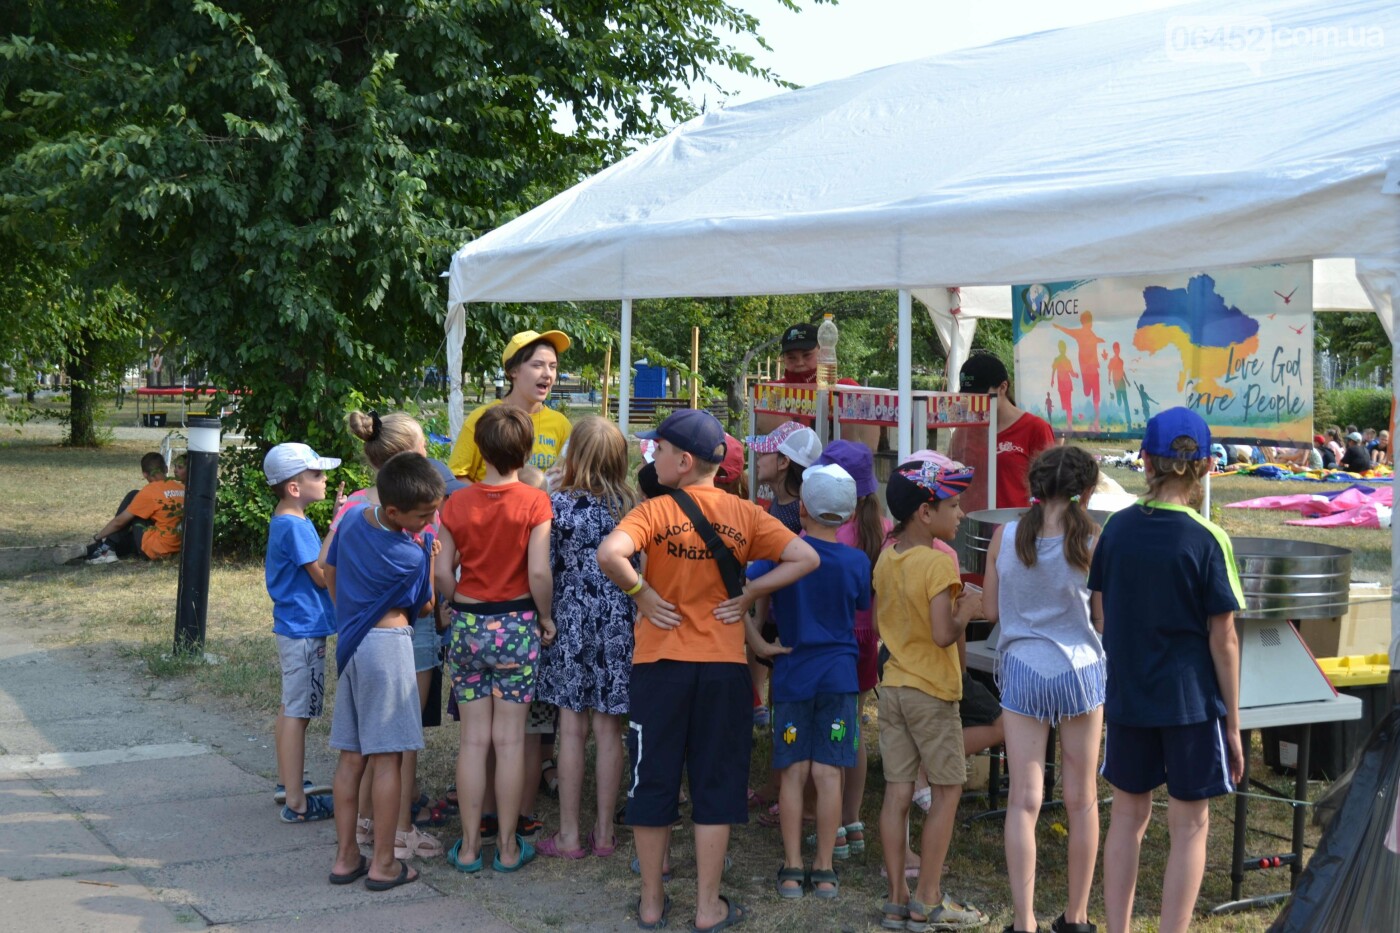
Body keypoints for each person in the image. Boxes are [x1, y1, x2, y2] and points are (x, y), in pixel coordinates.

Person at [596, 409, 820, 933]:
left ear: (683, 459)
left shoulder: (652, 511)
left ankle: (651, 905)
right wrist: (751, 593)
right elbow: (805, 558)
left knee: (652, 782)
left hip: (658, 666)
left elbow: (611, 553)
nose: (652, 456)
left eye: (658, 449)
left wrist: (642, 593)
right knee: (715, 786)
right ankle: (707, 907)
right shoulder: (744, 513)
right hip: (722, 668)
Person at [1090, 408, 1245, 933]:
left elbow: (1101, 611)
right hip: (1190, 702)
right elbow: (1222, 638)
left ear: (1146, 460)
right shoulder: (1208, 538)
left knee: (1127, 819)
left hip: (1129, 694)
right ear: (1204, 465)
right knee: (1190, 825)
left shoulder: (1115, 528)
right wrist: (1235, 722)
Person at [982, 447, 1105, 933]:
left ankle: (1023, 920)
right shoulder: (1095, 541)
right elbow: (1101, 619)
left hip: (1024, 671)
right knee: (1083, 798)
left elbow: (991, 611)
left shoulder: (1004, 535)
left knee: (1023, 801)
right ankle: (1075, 917)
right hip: (1080, 672)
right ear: (1087, 491)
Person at [321, 410, 446, 860]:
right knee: (390, 755)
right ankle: (385, 862)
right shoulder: (410, 555)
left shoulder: (353, 518)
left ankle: (345, 856)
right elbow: (425, 605)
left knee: (351, 756)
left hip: (352, 644)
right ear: (395, 511)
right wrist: (429, 558)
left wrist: (346, 611)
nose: (427, 521)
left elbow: (330, 570)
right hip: (391, 648)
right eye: (423, 515)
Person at [435, 405, 555, 874]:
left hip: (467, 624)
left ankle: (467, 847)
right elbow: (539, 571)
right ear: (524, 450)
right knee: (509, 743)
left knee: (471, 742)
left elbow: (442, 569)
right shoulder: (535, 501)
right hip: (517, 625)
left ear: (479, 450)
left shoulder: (455, 503)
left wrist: (451, 601)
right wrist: (544, 617)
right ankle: (507, 847)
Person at [745, 463, 868, 901]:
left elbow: (743, 584)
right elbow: (859, 604)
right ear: (850, 514)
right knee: (830, 770)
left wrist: (756, 640)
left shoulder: (783, 554)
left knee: (793, 770)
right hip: (839, 677)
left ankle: (793, 867)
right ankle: (826, 869)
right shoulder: (857, 561)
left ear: (802, 509)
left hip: (793, 673)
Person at [876, 459, 988, 931]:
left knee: (897, 792)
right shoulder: (940, 561)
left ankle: (898, 898)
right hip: (931, 692)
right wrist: (968, 609)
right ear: (926, 512)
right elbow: (944, 634)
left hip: (894, 688)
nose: (960, 514)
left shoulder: (887, 556)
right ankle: (929, 897)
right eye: (954, 505)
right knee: (947, 791)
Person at [536, 416, 639, 860]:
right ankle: (603, 834)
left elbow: (544, 565)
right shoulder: (633, 507)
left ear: (573, 455)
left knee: (572, 731)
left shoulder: (556, 507)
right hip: (619, 622)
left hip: (569, 623)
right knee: (609, 730)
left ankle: (569, 836)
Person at [815, 440, 886, 862]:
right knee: (852, 727)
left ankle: (833, 827)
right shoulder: (884, 524)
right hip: (866, 642)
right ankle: (852, 819)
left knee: (829, 732)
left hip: (831, 641)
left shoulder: (830, 531)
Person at [263, 442, 341, 824]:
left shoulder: (287, 518)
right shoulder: (295, 526)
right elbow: (323, 574)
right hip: (304, 630)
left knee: (290, 708)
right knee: (299, 712)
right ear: (295, 487)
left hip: (295, 627)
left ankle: (287, 784)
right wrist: (338, 529)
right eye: (316, 474)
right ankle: (297, 803)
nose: (324, 480)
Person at [448, 329, 571, 482]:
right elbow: (458, 476)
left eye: (552, 366)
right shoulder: (483, 418)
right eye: (537, 365)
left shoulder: (561, 424)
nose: (548, 374)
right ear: (513, 370)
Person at [949, 353, 1055, 513]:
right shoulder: (965, 429)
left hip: (1016, 526)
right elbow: (951, 476)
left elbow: (1051, 488)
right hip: (970, 525)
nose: (974, 402)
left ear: (1002, 388)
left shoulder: (1035, 429)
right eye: (968, 396)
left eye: (980, 395)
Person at [757, 321, 878, 450]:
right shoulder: (772, 391)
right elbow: (763, 449)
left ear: (823, 352)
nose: (799, 363)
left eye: (807, 355)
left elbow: (870, 448)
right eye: (792, 358)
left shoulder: (846, 388)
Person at [84, 452, 185, 563]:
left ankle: (106, 547)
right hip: (176, 547)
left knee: (134, 497)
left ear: (145, 474)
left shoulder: (149, 492)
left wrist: (96, 537)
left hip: (156, 550)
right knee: (125, 540)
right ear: (166, 469)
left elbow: (119, 522)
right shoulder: (181, 487)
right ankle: (96, 550)